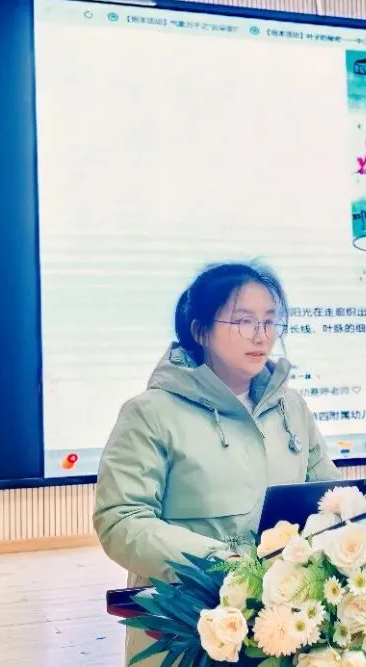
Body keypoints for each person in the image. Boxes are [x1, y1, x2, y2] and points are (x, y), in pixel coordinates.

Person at [93, 262, 341, 667]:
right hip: (189, 621)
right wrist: (220, 564)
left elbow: (329, 497)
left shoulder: (291, 407)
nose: (261, 335)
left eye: (269, 321)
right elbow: (121, 520)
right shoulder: (150, 413)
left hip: (286, 621)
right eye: (243, 321)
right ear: (199, 331)